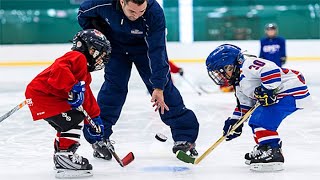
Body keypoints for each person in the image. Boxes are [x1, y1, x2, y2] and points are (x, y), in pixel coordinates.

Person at [77, 0, 199, 158]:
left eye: (141, 12)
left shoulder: (154, 12)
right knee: (113, 89)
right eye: (132, 12)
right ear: (122, 2)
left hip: (145, 50)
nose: (137, 16)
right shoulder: (101, 3)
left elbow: (158, 51)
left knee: (165, 91)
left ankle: (184, 136)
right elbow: (82, 14)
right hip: (115, 49)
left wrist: (159, 87)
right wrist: (100, 33)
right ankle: (100, 136)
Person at [206, 44, 310, 171]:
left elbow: (271, 69)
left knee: (260, 120)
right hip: (283, 94)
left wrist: (268, 89)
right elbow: (245, 105)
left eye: (221, 70)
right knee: (255, 121)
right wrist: (235, 122)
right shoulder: (239, 82)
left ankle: (272, 151)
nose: (220, 75)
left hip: (291, 91)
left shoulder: (248, 64)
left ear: (231, 65)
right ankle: (264, 148)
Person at [25, 29, 111, 178]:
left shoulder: (84, 72)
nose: (100, 60)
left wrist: (95, 118)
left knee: (67, 122)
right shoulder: (77, 57)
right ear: (90, 48)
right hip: (44, 97)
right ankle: (64, 156)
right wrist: (71, 87)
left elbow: (87, 97)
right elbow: (59, 68)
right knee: (75, 117)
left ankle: (61, 155)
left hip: (46, 97)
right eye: (99, 53)